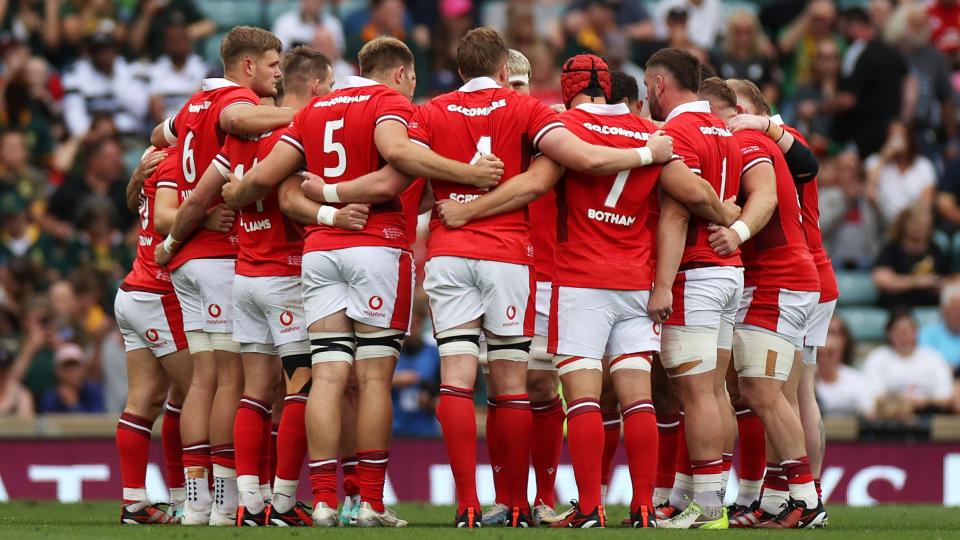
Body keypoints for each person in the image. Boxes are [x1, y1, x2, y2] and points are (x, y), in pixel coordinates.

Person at [296, 27, 682, 528]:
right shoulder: (536, 114)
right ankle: (521, 502)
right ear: (503, 72)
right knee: (520, 387)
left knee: (462, 383)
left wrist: (332, 194)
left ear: (458, 70)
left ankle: (475, 504)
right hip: (521, 259)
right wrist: (653, 155)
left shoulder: (430, 110)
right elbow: (566, 168)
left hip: (460, 254)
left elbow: (402, 172)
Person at [435, 52, 738, 528]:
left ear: (569, 88)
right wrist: (731, 218)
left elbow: (535, 185)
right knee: (636, 397)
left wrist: (469, 210)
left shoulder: (563, 129)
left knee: (583, 400)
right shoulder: (649, 134)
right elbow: (694, 193)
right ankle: (642, 508)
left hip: (578, 280)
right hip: (636, 282)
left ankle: (590, 507)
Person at [219, 36, 508, 528]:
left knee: (328, 376)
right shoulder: (388, 103)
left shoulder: (314, 110)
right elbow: (398, 165)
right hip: (377, 245)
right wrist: (469, 173)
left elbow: (268, 183)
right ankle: (370, 502)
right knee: (373, 378)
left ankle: (327, 501)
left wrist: (233, 190)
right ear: (403, 75)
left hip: (319, 250)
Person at [150, 26, 298, 527]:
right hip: (216, 257)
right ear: (248, 66)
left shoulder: (193, 103)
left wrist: (171, 242)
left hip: (191, 255)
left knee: (201, 382)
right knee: (227, 381)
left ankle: (197, 500)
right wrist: (313, 113)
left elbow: (159, 137)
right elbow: (238, 118)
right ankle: (222, 500)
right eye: (274, 65)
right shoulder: (233, 101)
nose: (279, 74)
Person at [643, 52, 764, 530]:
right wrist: (730, 217)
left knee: (695, 395)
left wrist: (661, 286)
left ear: (656, 85)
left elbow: (676, 214)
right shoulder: (725, 132)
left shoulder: (677, 135)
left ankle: (709, 507)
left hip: (695, 272)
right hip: (729, 270)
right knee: (713, 392)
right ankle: (709, 497)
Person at [718, 79, 827, 529]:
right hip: (791, 273)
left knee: (782, 392)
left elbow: (808, 164)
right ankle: (782, 495)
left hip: (790, 275)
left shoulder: (761, 139)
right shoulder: (760, 141)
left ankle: (806, 497)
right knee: (770, 391)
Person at [113, 148, 193, 524]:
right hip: (160, 293)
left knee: (144, 402)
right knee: (202, 393)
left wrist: (134, 178)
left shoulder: (155, 153)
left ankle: (134, 502)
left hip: (134, 290)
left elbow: (133, 203)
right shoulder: (189, 160)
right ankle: (188, 499)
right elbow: (165, 222)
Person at [827, 6, 909, 158]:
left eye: (842, 27)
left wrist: (819, 108)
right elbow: (911, 82)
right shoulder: (891, 51)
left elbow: (847, 100)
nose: (841, 34)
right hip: (890, 132)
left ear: (854, 26)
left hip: (862, 135)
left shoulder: (855, 52)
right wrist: (903, 119)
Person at [863, 311, 954, 416]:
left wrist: (922, 403)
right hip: (889, 418)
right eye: (899, 332)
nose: (904, 336)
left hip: (928, 414)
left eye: (908, 331)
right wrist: (902, 404)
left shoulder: (933, 357)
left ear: (917, 332)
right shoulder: (877, 358)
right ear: (889, 333)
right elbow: (874, 396)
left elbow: (946, 397)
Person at [61, 31, 148, 138]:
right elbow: (74, 115)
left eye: (107, 49)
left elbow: (142, 110)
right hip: (91, 139)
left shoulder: (129, 70)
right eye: (98, 50)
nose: (103, 54)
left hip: (127, 137)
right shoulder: (76, 74)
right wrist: (92, 133)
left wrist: (115, 126)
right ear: (89, 52)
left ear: (115, 50)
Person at [873, 204, 948, 311]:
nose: (918, 227)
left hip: (932, 308)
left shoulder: (936, 250)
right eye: (914, 223)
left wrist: (939, 284)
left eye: (922, 224)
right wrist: (917, 282)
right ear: (903, 224)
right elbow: (882, 280)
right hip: (897, 308)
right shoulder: (891, 250)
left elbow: (947, 278)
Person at [864, 121, 937, 227]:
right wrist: (884, 157)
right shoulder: (875, 161)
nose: (896, 140)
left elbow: (926, 203)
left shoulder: (923, 165)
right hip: (881, 224)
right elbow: (870, 194)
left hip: (912, 225)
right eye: (892, 136)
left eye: (901, 135)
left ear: (909, 139)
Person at [392, 295, 441, 437]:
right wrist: (392, 381)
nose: (410, 330)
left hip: (426, 435)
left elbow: (447, 399)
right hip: (391, 434)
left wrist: (431, 403)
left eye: (415, 324)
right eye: (407, 326)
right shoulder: (388, 355)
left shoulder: (434, 355)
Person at [712, 10, 779, 106]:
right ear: (731, 33)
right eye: (739, 32)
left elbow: (770, 89)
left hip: (757, 109)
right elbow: (713, 89)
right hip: (726, 108)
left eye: (747, 32)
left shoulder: (763, 59)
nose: (743, 37)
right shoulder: (719, 59)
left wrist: (759, 110)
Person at [146, 23, 208, 123]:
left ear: (188, 41)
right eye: (172, 39)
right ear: (166, 43)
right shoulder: (157, 69)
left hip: (193, 127)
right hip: (165, 129)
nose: (176, 43)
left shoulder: (201, 68)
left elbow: (201, 104)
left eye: (180, 39)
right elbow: (154, 106)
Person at [816, 316, 875, 419]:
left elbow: (870, 415)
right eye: (824, 332)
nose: (828, 339)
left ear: (844, 340)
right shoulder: (803, 379)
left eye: (833, 333)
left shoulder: (858, 380)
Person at [129, 0, 215, 59]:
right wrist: (147, 14)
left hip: (183, 62)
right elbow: (135, 44)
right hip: (155, 64)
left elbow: (209, 26)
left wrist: (181, 36)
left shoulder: (180, 3)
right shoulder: (143, 6)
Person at [38, 342, 104, 413]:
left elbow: (96, 422)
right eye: (66, 366)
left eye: (75, 366)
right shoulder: (50, 397)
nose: (72, 371)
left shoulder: (94, 391)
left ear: (84, 369)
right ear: (57, 371)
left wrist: (74, 405)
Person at [273, 0, 345, 53]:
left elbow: (339, 52)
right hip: (293, 67)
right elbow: (278, 53)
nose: (315, 4)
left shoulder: (333, 24)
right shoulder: (284, 23)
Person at [919, 284, 960, 368]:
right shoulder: (927, 334)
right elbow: (925, 364)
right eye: (956, 309)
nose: (959, 313)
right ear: (943, 310)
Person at [0, 347, 33, 418]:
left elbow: (26, 425)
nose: (1, 373)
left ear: (9, 369)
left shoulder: (21, 394)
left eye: (3, 369)